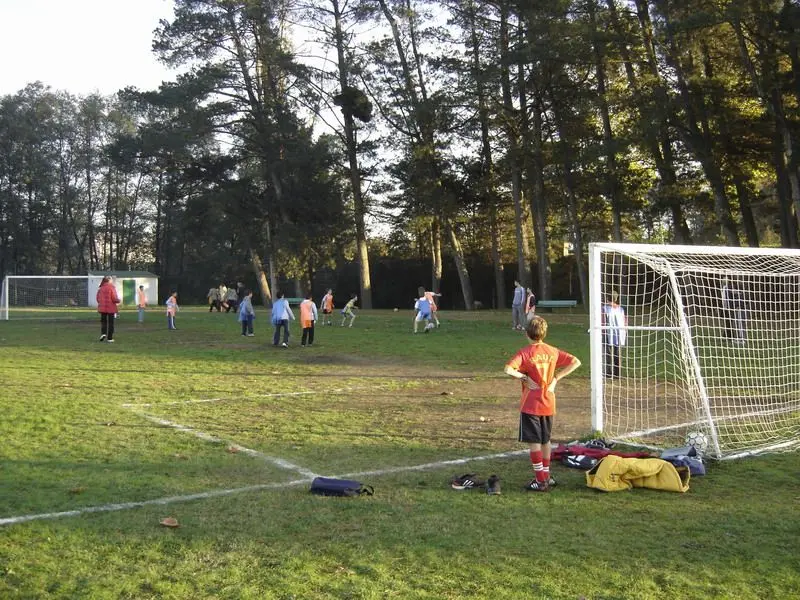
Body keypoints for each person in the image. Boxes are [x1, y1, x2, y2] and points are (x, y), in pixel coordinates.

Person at [504, 316, 581, 491]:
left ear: (527, 333)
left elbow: (508, 369)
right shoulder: (552, 351)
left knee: (534, 442)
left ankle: (540, 481)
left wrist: (523, 376)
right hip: (548, 401)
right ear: (544, 334)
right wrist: (556, 379)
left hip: (531, 403)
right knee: (546, 440)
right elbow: (576, 361)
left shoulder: (525, 353)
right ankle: (546, 476)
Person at [601, 290, 627, 378]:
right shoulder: (621, 309)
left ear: (607, 298)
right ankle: (617, 374)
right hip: (619, 333)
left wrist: (602, 332)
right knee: (617, 354)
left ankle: (608, 373)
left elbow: (603, 321)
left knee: (608, 353)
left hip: (608, 332)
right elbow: (625, 321)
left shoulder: (604, 308)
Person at [722, 277, 747, 344]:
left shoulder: (734, 290)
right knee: (732, 323)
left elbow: (739, 300)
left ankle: (741, 339)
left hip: (736, 308)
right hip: (730, 308)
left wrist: (736, 306)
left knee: (739, 323)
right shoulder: (727, 288)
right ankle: (730, 336)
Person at [96, 275, 121, 343]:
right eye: (111, 279)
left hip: (102, 308)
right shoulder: (112, 287)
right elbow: (114, 298)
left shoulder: (100, 288)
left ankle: (103, 333)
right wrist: (118, 300)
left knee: (103, 322)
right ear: (109, 280)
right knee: (111, 323)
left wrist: (101, 303)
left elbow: (98, 299)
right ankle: (109, 338)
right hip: (111, 308)